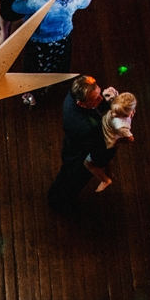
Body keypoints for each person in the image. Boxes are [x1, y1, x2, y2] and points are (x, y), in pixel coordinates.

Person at [47, 76, 118, 210]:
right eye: (96, 98)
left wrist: (107, 101)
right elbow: (101, 149)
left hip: (72, 148)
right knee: (72, 183)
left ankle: (58, 197)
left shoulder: (72, 96)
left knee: (65, 178)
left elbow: (92, 107)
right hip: (79, 159)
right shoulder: (86, 128)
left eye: (100, 93)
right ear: (81, 103)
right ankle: (60, 204)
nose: (101, 98)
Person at [11, 0, 92, 106]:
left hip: (39, 40)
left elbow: (16, 6)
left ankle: (34, 91)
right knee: (59, 59)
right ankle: (56, 81)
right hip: (63, 37)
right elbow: (87, 0)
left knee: (35, 65)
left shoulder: (36, 1)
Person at [85, 92, 136, 192]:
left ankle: (105, 180)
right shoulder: (122, 106)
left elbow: (130, 139)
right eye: (112, 110)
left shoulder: (120, 124)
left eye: (116, 114)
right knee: (109, 159)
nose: (113, 113)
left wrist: (117, 140)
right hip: (109, 141)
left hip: (105, 143)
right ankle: (109, 173)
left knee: (88, 164)